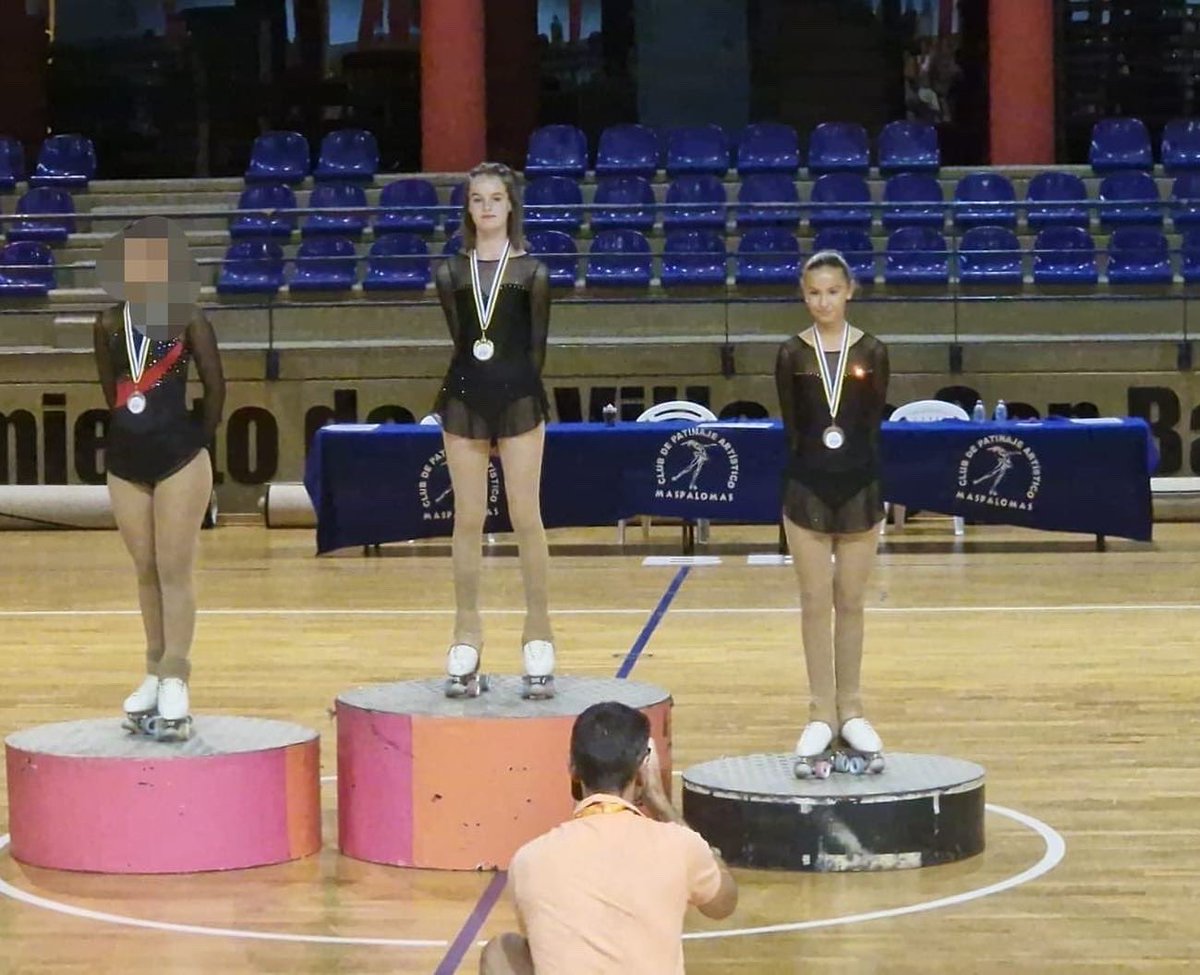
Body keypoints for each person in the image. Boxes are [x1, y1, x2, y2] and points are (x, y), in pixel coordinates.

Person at [481, 701, 738, 974]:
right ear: (642, 771)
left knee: (500, 953)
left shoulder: (529, 860)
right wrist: (661, 803)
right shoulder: (681, 845)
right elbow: (724, 904)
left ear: (572, 768)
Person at [92, 217, 225, 741]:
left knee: (174, 570)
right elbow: (112, 394)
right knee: (144, 569)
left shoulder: (188, 318)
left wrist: (196, 442)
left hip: (180, 459)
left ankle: (177, 676)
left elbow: (216, 389)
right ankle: (152, 669)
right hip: (126, 462)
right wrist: (137, 429)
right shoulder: (106, 324)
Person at [433, 162, 556, 699]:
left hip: (520, 398)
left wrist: (515, 389)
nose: (486, 207)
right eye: (477, 198)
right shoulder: (450, 274)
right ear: (468, 208)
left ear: (510, 206)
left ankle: (538, 633)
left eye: (495, 198)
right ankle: (466, 633)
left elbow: (536, 349)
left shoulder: (534, 273)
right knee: (468, 518)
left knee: (526, 516)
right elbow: (464, 341)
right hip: (464, 400)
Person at [775, 250, 890, 778]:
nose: (823, 301)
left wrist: (862, 482)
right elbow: (795, 431)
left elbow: (869, 429)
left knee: (852, 601)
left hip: (860, 489)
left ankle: (853, 709)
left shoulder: (874, 350)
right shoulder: (790, 355)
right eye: (813, 292)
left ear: (849, 292)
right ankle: (820, 711)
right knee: (815, 601)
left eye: (832, 291)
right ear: (804, 296)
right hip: (807, 492)